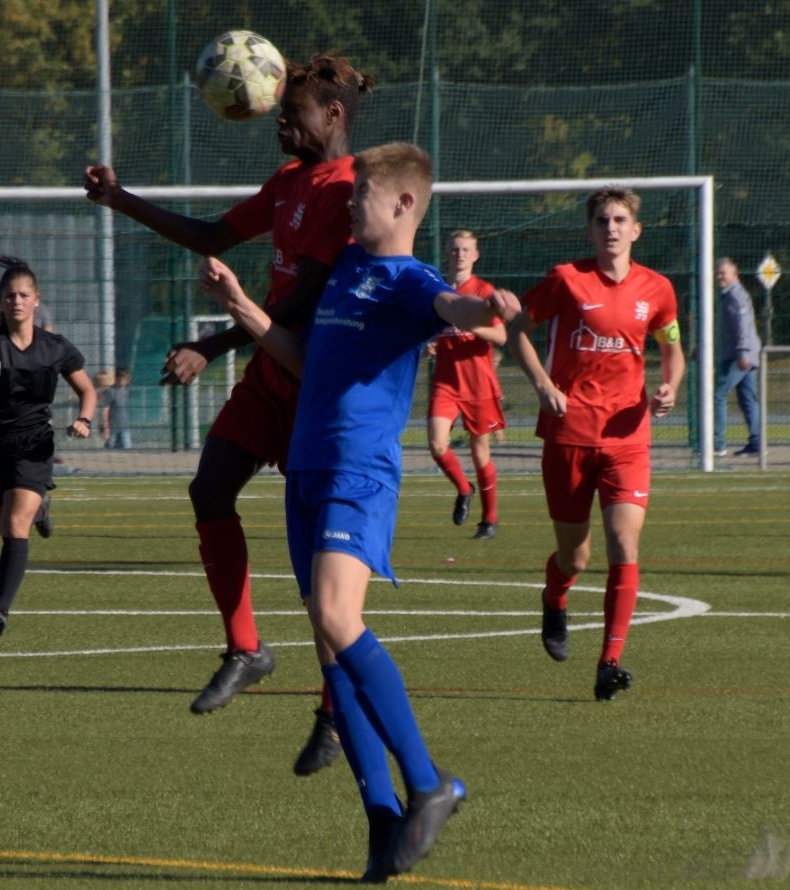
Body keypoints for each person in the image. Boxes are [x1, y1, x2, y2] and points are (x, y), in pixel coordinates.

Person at [199, 142, 522, 881]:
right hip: (306, 467)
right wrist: (241, 307)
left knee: (341, 620)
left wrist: (486, 308)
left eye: (360, 195)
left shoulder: (412, 281)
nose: (347, 205)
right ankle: (381, 823)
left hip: (358, 471)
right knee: (325, 640)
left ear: (404, 203)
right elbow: (303, 359)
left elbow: (453, 308)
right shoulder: (345, 267)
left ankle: (430, 782)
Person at [84, 53, 375, 775]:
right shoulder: (287, 181)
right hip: (268, 371)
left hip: (314, 379)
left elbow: (302, 302)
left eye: (292, 111)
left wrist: (212, 343)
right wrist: (123, 201)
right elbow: (215, 236)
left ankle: (335, 715)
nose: (278, 121)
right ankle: (246, 649)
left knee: (320, 576)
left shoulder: (348, 190)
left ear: (332, 116)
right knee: (208, 489)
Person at [505, 186, 685, 702]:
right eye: (602, 220)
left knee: (624, 543)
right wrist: (542, 384)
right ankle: (555, 597)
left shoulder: (658, 289)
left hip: (627, 437)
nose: (611, 227)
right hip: (569, 434)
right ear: (590, 231)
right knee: (575, 556)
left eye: (620, 219)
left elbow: (672, 350)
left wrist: (670, 385)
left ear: (636, 229)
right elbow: (519, 331)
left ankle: (610, 661)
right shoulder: (566, 279)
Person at [0, 257, 97, 636]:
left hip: (34, 445)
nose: (16, 301)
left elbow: (87, 390)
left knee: (15, 526)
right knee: (7, 527)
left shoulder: (55, 347)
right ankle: (41, 511)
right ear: (2, 302)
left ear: (36, 300)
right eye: (10, 295)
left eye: (23, 295)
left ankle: (0, 610)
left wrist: (84, 419)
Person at [426, 229, 508, 540]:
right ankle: (464, 488)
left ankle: (489, 519)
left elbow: (501, 336)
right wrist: (428, 343)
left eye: (466, 249)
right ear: (447, 253)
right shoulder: (438, 290)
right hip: (446, 381)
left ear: (475, 255)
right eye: (455, 248)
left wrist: (469, 325)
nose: (459, 254)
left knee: (480, 453)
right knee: (436, 444)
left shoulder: (484, 291)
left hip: (477, 383)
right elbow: (429, 329)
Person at [714, 257, 761, 457]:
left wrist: (742, 353)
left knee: (717, 395)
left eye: (724, 272)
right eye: (718, 272)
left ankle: (717, 443)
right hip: (745, 354)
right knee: (747, 399)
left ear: (735, 274)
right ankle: (757, 442)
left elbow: (743, 326)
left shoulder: (735, 296)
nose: (720, 276)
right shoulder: (728, 295)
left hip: (739, 356)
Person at [100, 367, 133, 448]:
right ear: (117, 378)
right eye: (122, 378)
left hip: (124, 426)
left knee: (127, 447)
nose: (124, 381)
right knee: (110, 448)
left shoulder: (126, 392)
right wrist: (106, 427)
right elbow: (105, 410)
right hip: (112, 427)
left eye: (126, 379)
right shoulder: (111, 392)